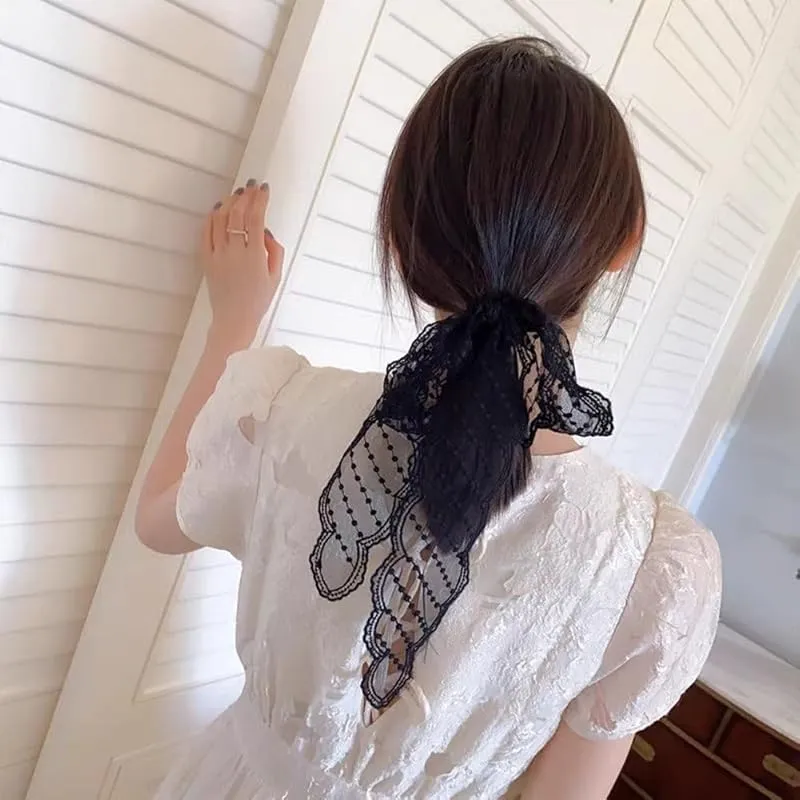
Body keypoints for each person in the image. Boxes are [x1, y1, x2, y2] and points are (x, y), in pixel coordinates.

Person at [137, 37, 721, 800]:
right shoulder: (651, 566)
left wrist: (234, 319)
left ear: (400, 236)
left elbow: (159, 521)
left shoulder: (279, 406)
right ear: (625, 241)